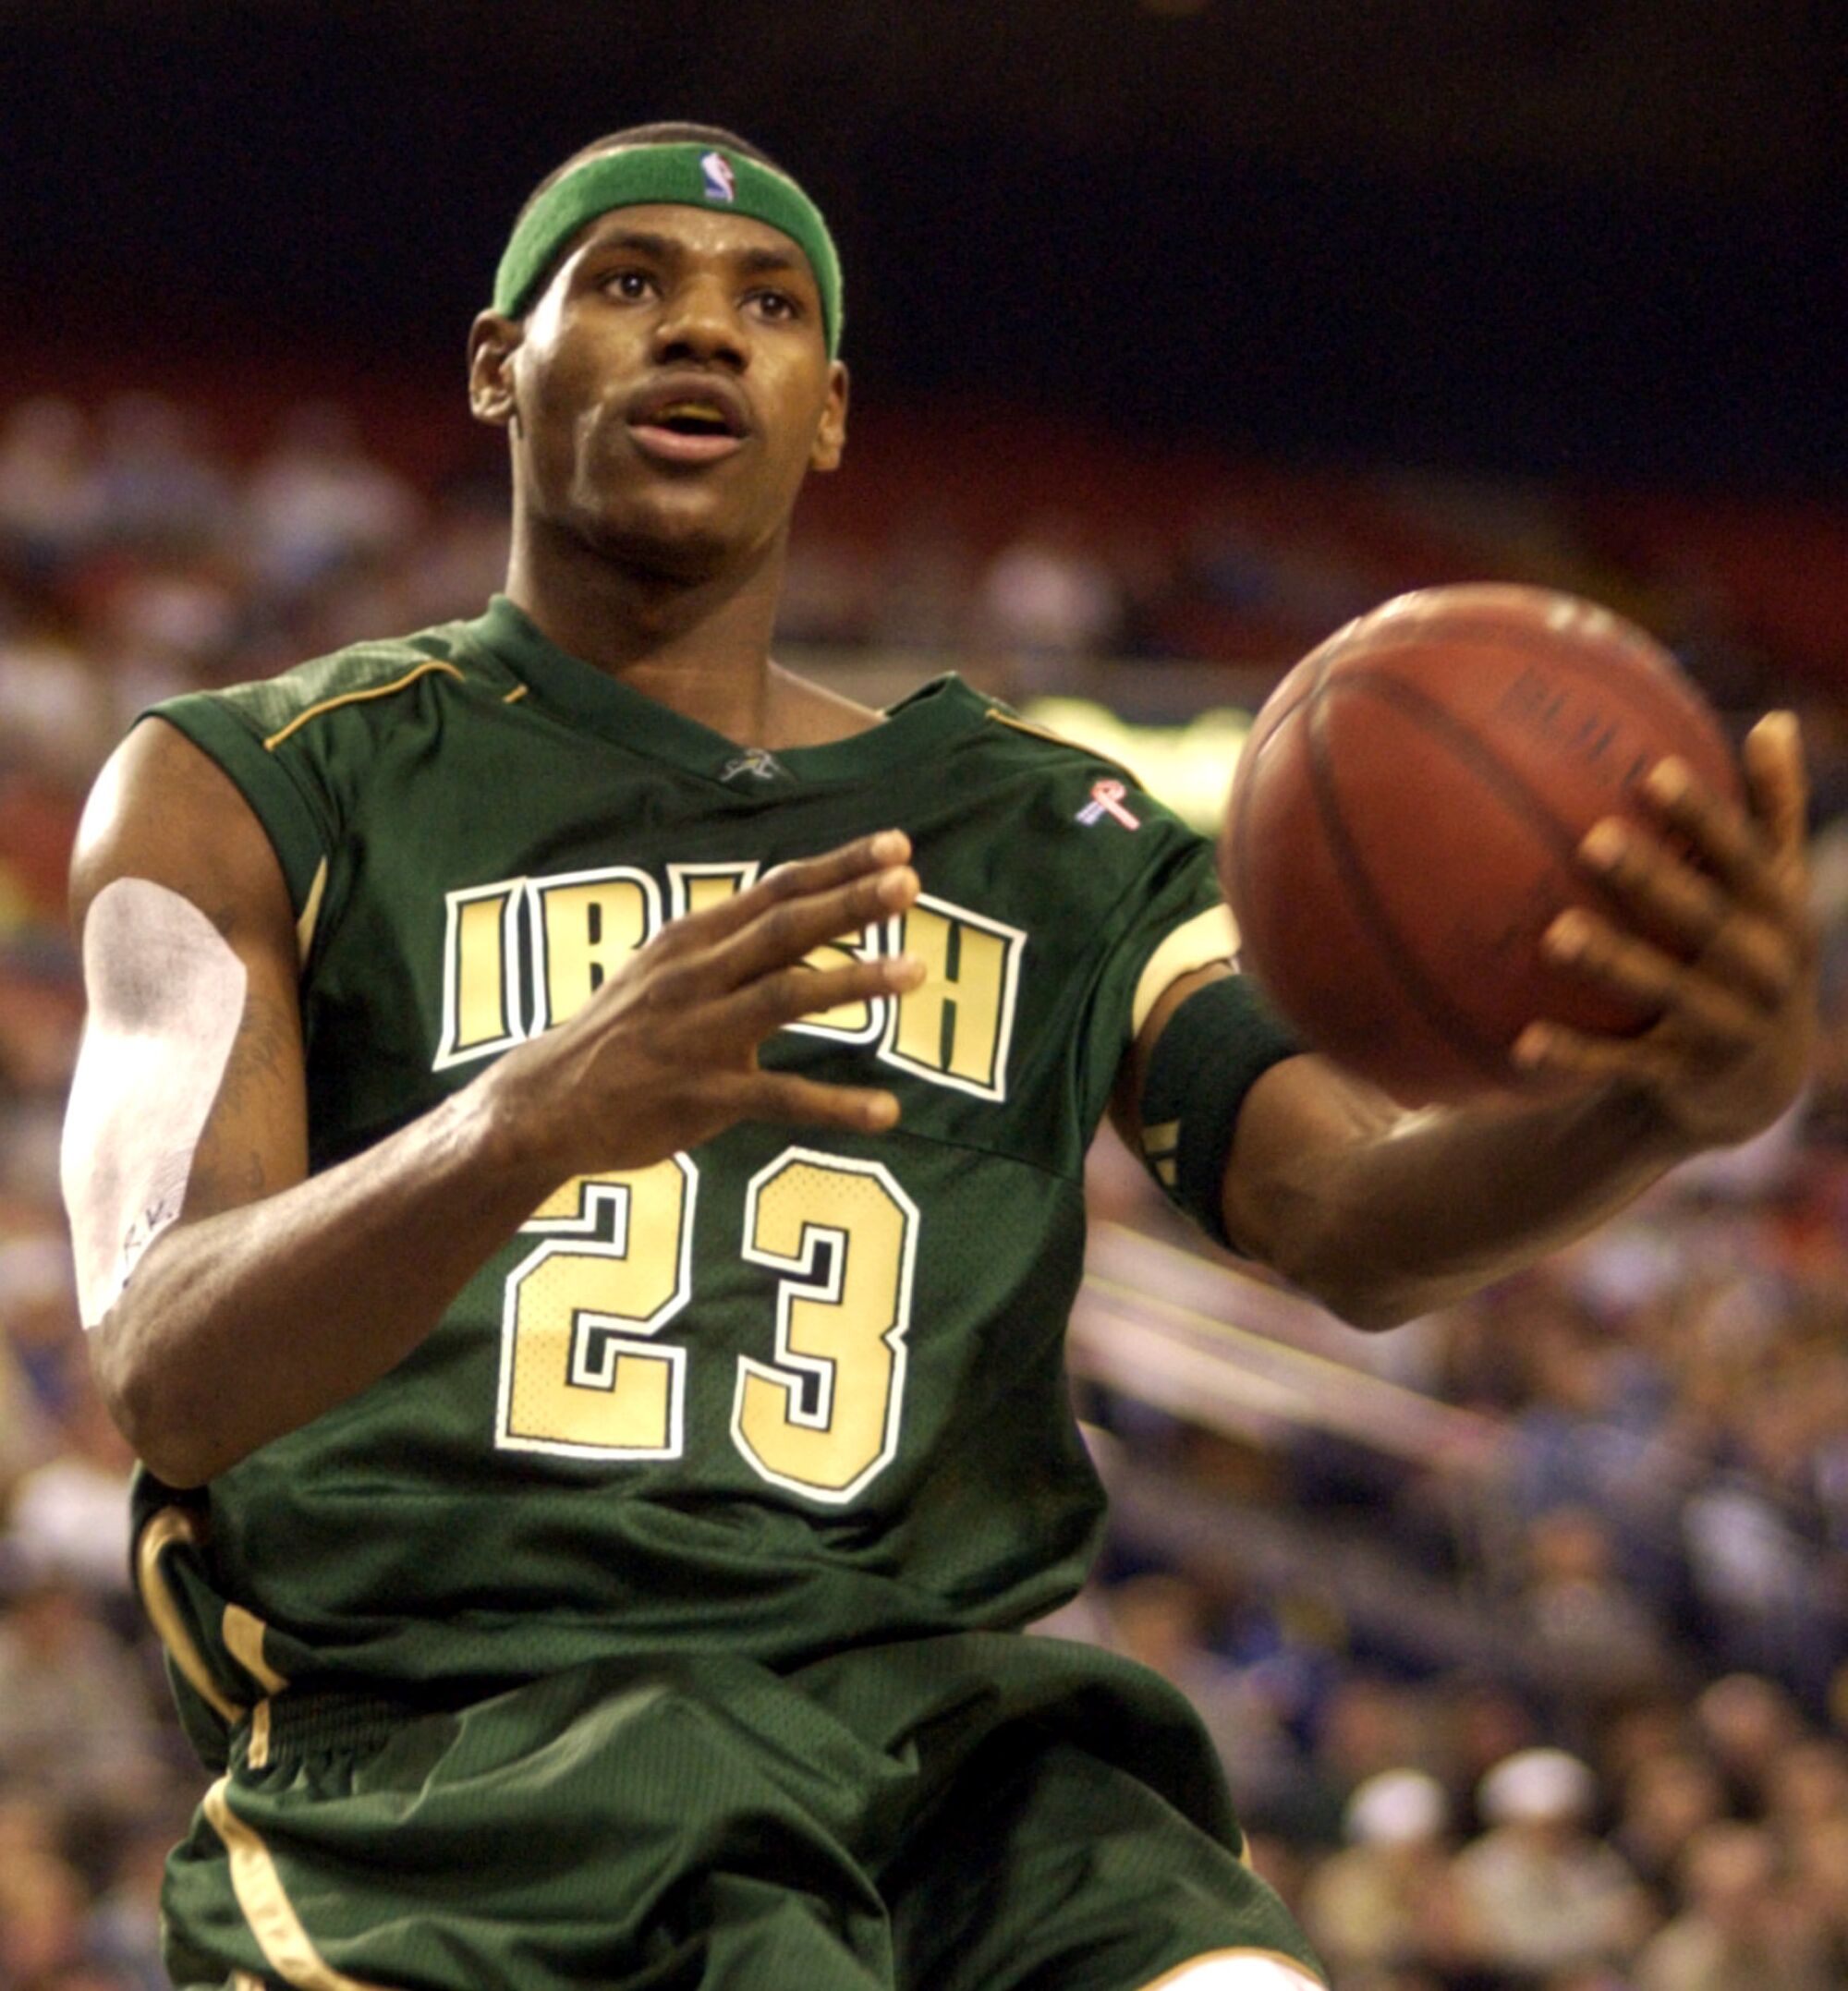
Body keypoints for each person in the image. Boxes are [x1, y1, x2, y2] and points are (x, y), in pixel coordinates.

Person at [58, 121, 1815, 1991]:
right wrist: (524, 1122)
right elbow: (166, 1363)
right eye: (631, 283)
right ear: (499, 364)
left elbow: (1355, 1220)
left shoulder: (1048, 832)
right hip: (461, 1774)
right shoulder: (251, 780)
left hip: (953, 1785)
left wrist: (1651, 1108)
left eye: (770, 306)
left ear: (827, 414)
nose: (705, 335)